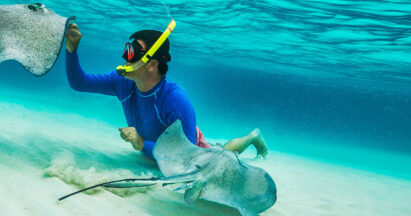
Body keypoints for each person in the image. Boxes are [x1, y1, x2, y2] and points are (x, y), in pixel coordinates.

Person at [64, 22, 268, 161]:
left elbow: (185, 156)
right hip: (159, 154)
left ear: (152, 65)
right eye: (127, 50)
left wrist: (142, 143)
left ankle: (252, 136)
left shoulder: (176, 99)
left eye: (133, 52)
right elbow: (79, 82)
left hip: (190, 153)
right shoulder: (121, 82)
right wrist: (71, 49)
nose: (125, 58)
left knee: (222, 154)